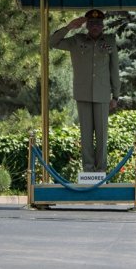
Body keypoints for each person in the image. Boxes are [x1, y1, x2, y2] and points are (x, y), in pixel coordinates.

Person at [50, 9, 120, 172]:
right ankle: (89, 170)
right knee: (86, 135)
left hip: (103, 95)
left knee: (102, 135)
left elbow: (114, 69)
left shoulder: (110, 41)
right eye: (92, 23)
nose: (95, 26)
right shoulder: (76, 40)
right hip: (83, 94)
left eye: (98, 23)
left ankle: (101, 170)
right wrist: (68, 27)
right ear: (87, 25)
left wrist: (115, 95)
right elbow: (51, 42)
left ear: (102, 25)